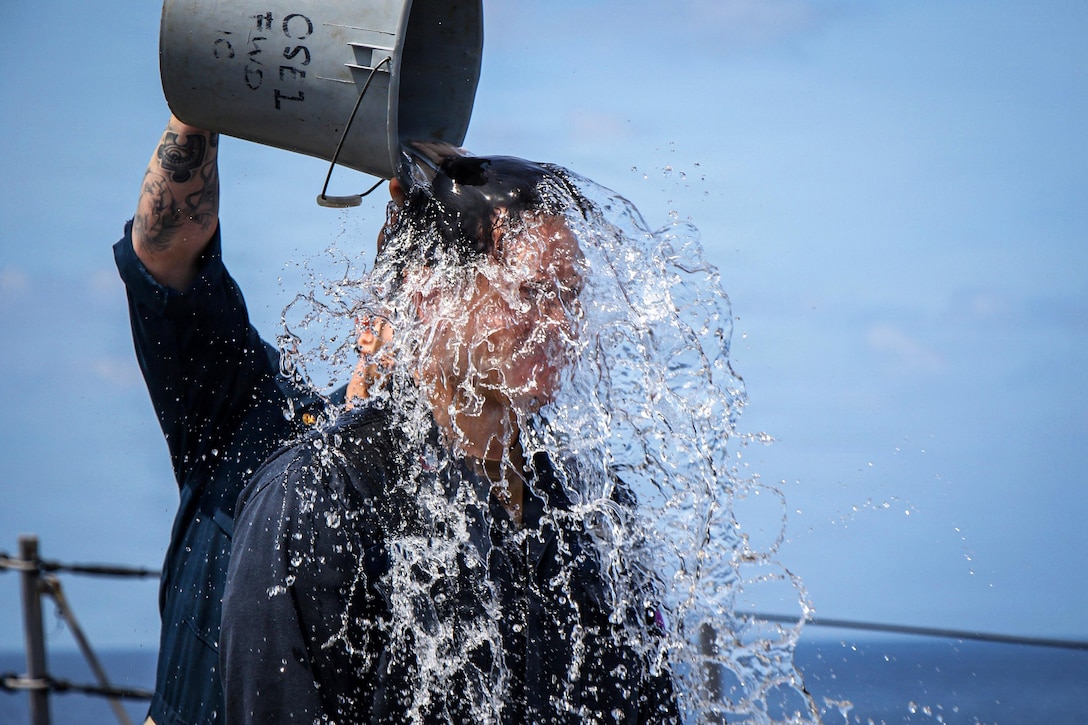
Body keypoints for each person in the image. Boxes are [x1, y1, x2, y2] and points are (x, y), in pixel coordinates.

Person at [220, 154, 680, 723]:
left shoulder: (589, 510)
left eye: (571, 296)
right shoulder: (323, 495)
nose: (564, 325)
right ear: (430, 292)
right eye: (535, 291)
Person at [115, 115, 388, 725]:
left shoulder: (468, 490)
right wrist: (202, 97)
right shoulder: (245, 410)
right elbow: (165, 239)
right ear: (369, 323)